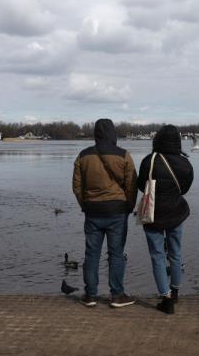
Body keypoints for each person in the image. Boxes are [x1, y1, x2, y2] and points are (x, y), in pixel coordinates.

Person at [72, 118, 137, 308]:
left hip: (92, 211)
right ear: (113, 133)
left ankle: (90, 295)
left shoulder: (83, 156)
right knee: (116, 254)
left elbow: (77, 186)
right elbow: (132, 184)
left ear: (95, 134)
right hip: (117, 210)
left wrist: (85, 205)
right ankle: (117, 295)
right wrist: (129, 206)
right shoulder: (124, 155)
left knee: (91, 254)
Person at [137, 125, 193, 314]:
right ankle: (175, 290)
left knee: (157, 256)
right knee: (175, 253)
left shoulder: (149, 161)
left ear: (157, 140)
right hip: (176, 213)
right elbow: (184, 189)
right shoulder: (186, 163)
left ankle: (166, 297)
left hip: (153, 215)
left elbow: (140, 186)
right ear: (177, 140)